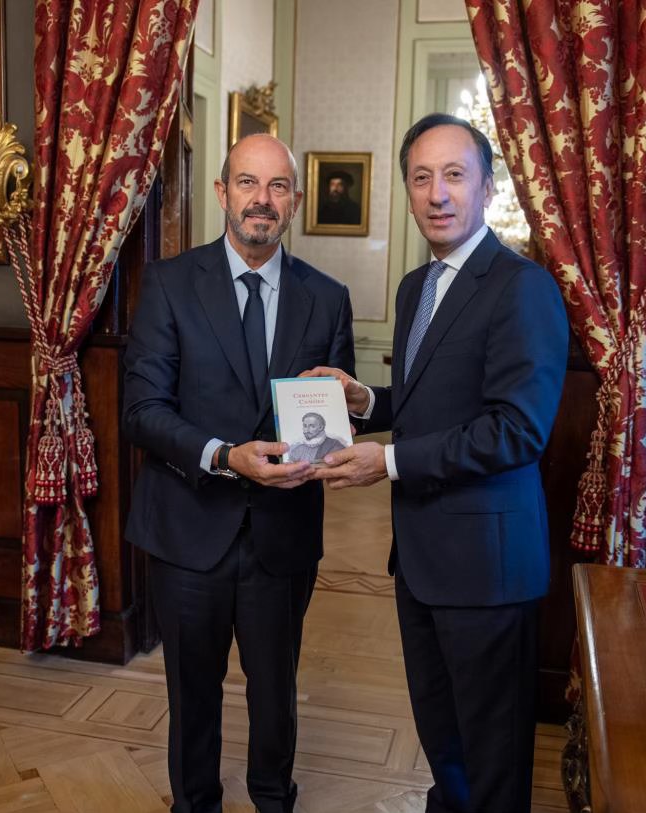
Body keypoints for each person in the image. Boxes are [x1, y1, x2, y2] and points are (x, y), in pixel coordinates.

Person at [303, 112, 568, 812]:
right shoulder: (416, 287)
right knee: (442, 734)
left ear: (486, 186)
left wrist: (383, 463)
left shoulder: (521, 286)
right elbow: (436, 402)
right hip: (420, 557)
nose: (437, 193)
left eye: (454, 175)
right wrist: (367, 399)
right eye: (421, 177)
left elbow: (515, 430)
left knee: (491, 751)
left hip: (486, 562)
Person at [123, 133, 356, 813]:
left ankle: (272, 797)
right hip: (188, 525)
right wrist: (225, 455)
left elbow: (336, 413)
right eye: (248, 183)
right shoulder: (169, 284)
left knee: (274, 687)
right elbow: (140, 410)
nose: (262, 199)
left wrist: (341, 442)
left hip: (281, 533)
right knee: (190, 686)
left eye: (277, 186)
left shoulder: (327, 298)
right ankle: (194, 802)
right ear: (222, 193)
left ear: (295, 200)